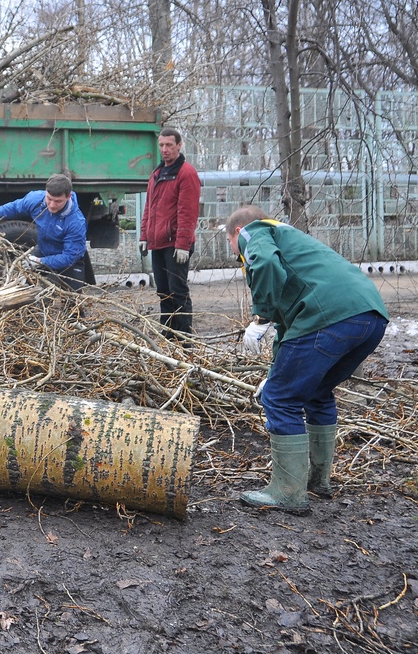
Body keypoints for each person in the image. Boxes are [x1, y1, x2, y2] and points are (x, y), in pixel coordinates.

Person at [226, 205, 388, 513]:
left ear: (237, 232)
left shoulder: (254, 232)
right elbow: (289, 331)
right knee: (316, 393)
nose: (238, 257)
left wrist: (260, 317)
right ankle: (317, 480)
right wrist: (274, 373)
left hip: (330, 317)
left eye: (235, 252)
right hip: (370, 317)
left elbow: (264, 263)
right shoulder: (293, 242)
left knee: (280, 400)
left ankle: (288, 493)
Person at [0, 173, 88, 290]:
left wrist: (39, 261)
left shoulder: (76, 222)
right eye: (49, 199)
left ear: (68, 197)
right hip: (44, 250)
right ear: (45, 193)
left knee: (73, 301)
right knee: (20, 283)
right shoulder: (36, 199)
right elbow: (15, 207)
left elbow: (69, 257)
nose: (52, 205)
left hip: (68, 262)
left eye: (58, 201)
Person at [139, 127, 201, 337]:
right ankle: (167, 338)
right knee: (163, 293)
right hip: (158, 243)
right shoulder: (157, 174)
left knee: (178, 293)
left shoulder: (186, 173)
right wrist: (144, 235)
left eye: (169, 145)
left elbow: (188, 212)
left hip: (176, 245)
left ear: (179, 145)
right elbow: (149, 207)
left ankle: (184, 340)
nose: (164, 150)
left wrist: (183, 244)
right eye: (161, 145)